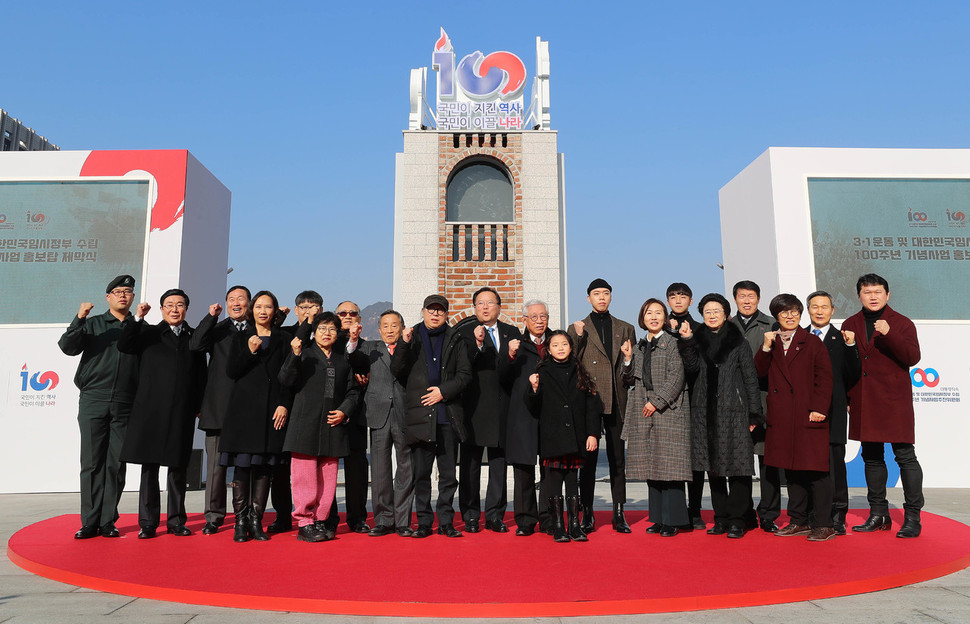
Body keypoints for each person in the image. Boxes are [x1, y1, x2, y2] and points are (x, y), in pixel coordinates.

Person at [118, 289, 207, 538]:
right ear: (161, 309)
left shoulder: (193, 337)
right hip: (151, 410)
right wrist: (137, 318)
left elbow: (202, 374)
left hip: (182, 410)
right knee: (150, 467)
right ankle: (148, 522)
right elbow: (124, 345)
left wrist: (199, 405)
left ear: (187, 309)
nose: (175, 309)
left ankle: (177, 520)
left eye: (180, 305)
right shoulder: (148, 333)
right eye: (169, 305)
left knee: (178, 467)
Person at [841, 274, 924, 538]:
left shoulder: (901, 323)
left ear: (888, 295)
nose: (873, 296)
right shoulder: (850, 323)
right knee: (872, 457)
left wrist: (889, 335)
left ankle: (913, 517)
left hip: (893, 400)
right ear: (859, 296)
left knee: (905, 457)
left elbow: (912, 357)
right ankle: (878, 514)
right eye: (867, 292)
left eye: (878, 291)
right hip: (864, 399)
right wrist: (846, 398)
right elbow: (845, 365)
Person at [58, 275, 139, 539]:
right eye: (117, 292)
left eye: (127, 291)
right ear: (108, 297)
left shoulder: (138, 327)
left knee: (116, 464)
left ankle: (108, 521)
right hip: (94, 397)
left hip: (126, 401)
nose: (123, 296)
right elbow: (67, 347)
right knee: (92, 463)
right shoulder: (93, 324)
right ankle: (89, 522)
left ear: (133, 297)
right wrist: (79, 318)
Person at [679, 293, 763, 539]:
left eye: (717, 311)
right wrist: (685, 341)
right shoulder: (696, 340)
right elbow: (692, 368)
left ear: (726, 314)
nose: (712, 315)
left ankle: (738, 520)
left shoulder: (738, 341)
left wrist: (754, 414)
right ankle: (721, 518)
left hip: (735, 412)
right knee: (712, 468)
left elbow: (750, 378)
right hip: (704, 412)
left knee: (738, 467)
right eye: (707, 311)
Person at [754, 294, 836, 541]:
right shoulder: (772, 342)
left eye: (794, 312)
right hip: (782, 417)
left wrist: (820, 407)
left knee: (816, 471)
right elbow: (758, 372)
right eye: (783, 313)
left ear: (800, 314)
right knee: (792, 472)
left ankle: (824, 523)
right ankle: (798, 520)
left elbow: (825, 378)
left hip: (808, 414)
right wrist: (766, 347)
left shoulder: (812, 342)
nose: (789, 316)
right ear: (776, 317)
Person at [390, 294, 471, 538]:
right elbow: (397, 370)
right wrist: (403, 345)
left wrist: (443, 392)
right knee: (421, 475)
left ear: (446, 314)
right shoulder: (411, 335)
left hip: (448, 415)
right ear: (423, 311)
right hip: (420, 416)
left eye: (440, 311)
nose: (435, 314)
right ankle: (424, 522)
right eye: (431, 310)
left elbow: (465, 374)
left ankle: (446, 522)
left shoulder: (456, 337)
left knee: (448, 475)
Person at [279, 312, 360, 543]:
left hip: (333, 424)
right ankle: (305, 522)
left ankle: (321, 520)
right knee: (304, 476)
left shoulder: (343, 358)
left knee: (328, 476)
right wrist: (293, 356)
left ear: (338, 333)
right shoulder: (302, 353)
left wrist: (345, 409)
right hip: (304, 423)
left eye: (332, 329)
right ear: (314, 331)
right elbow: (285, 380)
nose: (327, 333)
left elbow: (353, 390)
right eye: (322, 328)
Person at [219, 291, 292, 542]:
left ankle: (256, 520)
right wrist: (249, 351)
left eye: (268, 307)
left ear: (274, 311)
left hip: (272, 411)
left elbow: (289, 376)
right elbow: (232, 371)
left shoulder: (283, 339)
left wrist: (283, 404)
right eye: (258, 306)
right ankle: (240, 522)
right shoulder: (241, 336)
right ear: (252, 310)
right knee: (242, 467)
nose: (263, 311)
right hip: (244, 411)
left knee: (264, 468)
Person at [567, 278, 636, 534]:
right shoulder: (577, 327)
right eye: (596, 294)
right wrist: (579, 337)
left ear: (611, 296)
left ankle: (619, 513)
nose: (602, 298)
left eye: (606, 293)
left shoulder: (626, 328)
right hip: (590, 400)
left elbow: (630, 374)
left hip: (617, 399)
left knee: (619, 460)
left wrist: (629, 361)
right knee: (588, 460)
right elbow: (570, 362)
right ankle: (588, 513)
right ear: (588, 298)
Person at [621, 299, 691, 537]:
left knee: (670, 469)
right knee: (652, 467)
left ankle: (673, 520)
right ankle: (659, 518)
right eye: (649, 313)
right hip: (644, 410)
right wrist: (628, 359)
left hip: (668, 410)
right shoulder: (640, 346)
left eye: (658, 312)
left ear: (665, 317)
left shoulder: (673, 343)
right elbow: (628, 378)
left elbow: (677, 377)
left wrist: (657, 401)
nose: (653, 316)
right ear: (642, 317)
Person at [526, 331, 600, 542]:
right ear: (548, 350)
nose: (560, 348)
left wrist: (592, 434)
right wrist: (533, 389)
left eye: (564, 344)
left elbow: (591, 408)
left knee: (572, 480)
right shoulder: (543, 371)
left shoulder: (580, 371)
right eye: (555, 345)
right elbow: (533, 406)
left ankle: (575, 525)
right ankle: (558, 524)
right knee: (554, 480)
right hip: (553, 436)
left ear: (570, 347)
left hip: (576, 435)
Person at [458, 287, 521, 533]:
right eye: (480, 303)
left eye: (490, 302)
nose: (485, 307)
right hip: (473, 408)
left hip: (503, 408)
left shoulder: (512, 332)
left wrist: (512, 355)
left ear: (499, 306)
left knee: (499, 465)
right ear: (474, 307)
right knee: (470, 466)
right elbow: (461, 367)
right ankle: (471, 514)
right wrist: (477, 342)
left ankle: (495, 515)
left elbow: (516, 370)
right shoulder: (463, 332)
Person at [189, 285, 250, 535]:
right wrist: (211, 316)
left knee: (247, 466)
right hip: (218, 409)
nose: (236, 303)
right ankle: (213, 516)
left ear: (249, 303)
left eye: (241, 299)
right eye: (231, 299)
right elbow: (195, 345)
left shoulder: (258, 329)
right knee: (216, 467)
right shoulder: (217, 329)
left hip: (249, 410)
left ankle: (245, 514)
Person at [806, 290, 861, 535]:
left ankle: (838, 514)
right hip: (805, 413)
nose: (819, 311)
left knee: (834, 465)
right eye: (814, 307)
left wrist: (851, 346)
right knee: (807, 466)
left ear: (832, 310)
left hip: (834, 412)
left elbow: (854, 373)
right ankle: (812, 513)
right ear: (808, 310)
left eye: (824, 307)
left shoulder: (843, 339)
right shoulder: (799, 336)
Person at [356, 309, 415, 537]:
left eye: (394, 325)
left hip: (404, 414)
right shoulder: (370, 349)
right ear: (379, 330)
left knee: (405, 469)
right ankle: (382, 519)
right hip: (379, 414)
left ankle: (403, 521)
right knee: (380, 469)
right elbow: (353, 357)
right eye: (385, 326)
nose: (390, 330)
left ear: (402, 327)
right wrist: (353, 340)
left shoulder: (410, 349)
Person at [729, 280, 781, 533]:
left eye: (751, 296)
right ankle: (742, 514)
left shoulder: (772, 324)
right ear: (735, 299)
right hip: (734, 403)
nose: (747, 301)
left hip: (764, 402)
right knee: (738, 463)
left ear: (758, 299)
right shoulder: (726, 326)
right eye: (742, 296)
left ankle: (769, 514)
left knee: (768, 461)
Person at [320, 300, 371, 535]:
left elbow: (363, 367)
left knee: (357, 470)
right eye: (343, 312)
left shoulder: (365, 345)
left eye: (353, 313)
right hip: (329, 414)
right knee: (327, 469)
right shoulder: (327, 342)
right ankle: (327, 517)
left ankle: (357, 517)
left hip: (355, 414)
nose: (348, 316)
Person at [506, 299, 553, 536]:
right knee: (523, 470)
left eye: (543, 316)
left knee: (549, 469)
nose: (539, 321)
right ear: (524, 320)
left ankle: (548, 518)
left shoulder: (557, 342)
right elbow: (502, 377)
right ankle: (525, 520)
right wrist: (510, 355)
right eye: (533, 317)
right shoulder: (516, 345)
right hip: (522, 415)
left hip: (550, 415)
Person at [664, 282, 706, 530]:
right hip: (667, 402)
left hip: (694, 399)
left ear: (691, 301)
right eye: (673, 297)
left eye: (683, 296)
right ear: (667, 301)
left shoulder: (700, 329)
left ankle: (696, 510)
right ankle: (675, 511)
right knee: (672, 457)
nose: (678, 300)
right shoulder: (658, 326)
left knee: (695, 457)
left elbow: (699, 367)